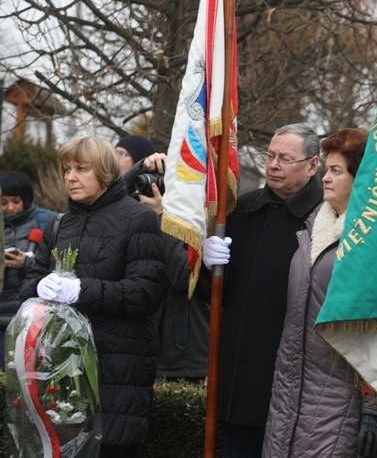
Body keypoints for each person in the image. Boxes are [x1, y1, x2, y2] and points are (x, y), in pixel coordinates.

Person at [20, 136, 165, 457]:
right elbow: (28, 285)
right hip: (62, 374)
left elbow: (146, 293)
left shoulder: (137, 218)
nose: (70, 177)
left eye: (81, 169)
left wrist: (81, 290)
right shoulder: (60, 224)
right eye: (66, 169)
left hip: (117, 373)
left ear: (104, 171)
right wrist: (40, 287)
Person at [262, 128, 377, 457]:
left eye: (336, 171)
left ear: (362, 179)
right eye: (326, 169)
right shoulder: (314, 230)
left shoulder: (374, 244)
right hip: (287, 403)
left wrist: (374, 410)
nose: (325, 177)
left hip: (340, 409)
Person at [200, 124, 323, 457]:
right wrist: (208, 268)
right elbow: (212, 297)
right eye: (270, 155)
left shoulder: (326, 218)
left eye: (286, 159)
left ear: (312, 166)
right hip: (242, 383)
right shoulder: (242, 210)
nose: (273, 165)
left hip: (297, 386)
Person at [140, 152, 210, 383]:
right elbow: (111, 191)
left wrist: (162, 215)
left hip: (189, 360)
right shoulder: (138, 214)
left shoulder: (205, 218)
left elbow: (183, 276)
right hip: (148, 350)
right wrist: (141, 166)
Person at [1, 171, 57, 368]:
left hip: (33, 319)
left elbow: (59, 267)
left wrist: (25, 263)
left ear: (26, 199)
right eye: (3, 202)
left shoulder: (47, 222)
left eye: (15, 201)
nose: (10, 208)